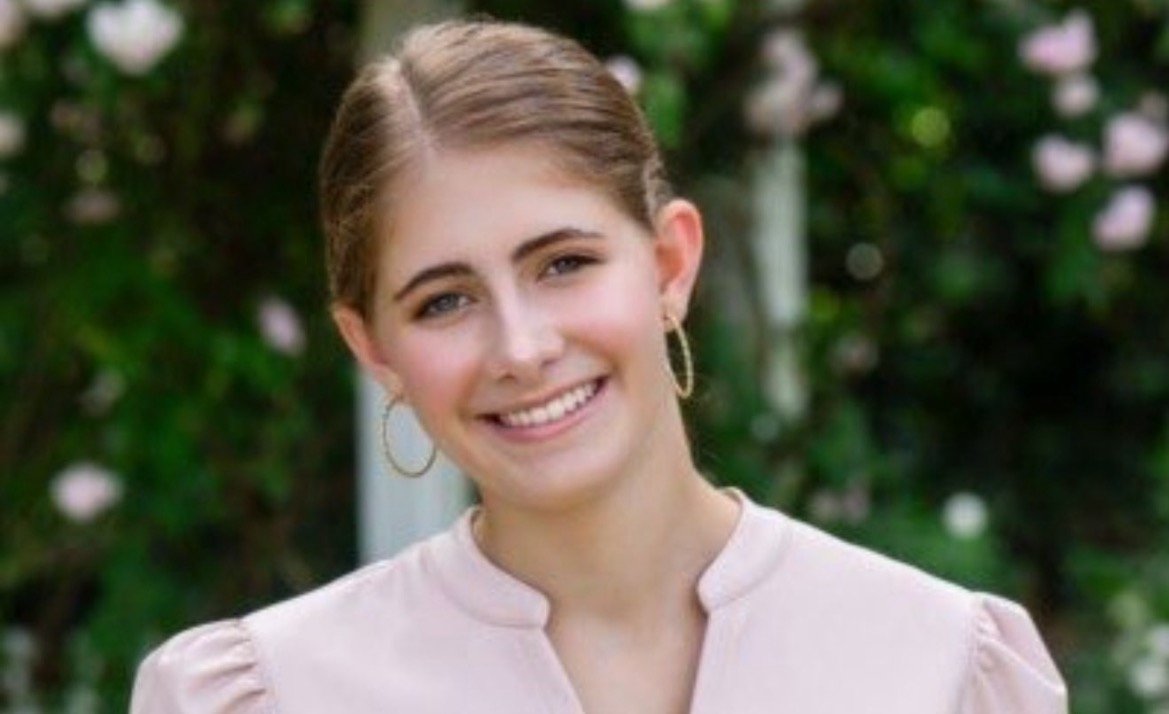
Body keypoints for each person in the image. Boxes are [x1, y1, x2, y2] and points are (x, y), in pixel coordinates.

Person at [130, 19, 1068, 713]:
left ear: (669, 264)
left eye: (564, 264)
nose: (523, 348)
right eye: (443, 300)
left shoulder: (940, 668)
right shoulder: (272, 695)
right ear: (374, 349)